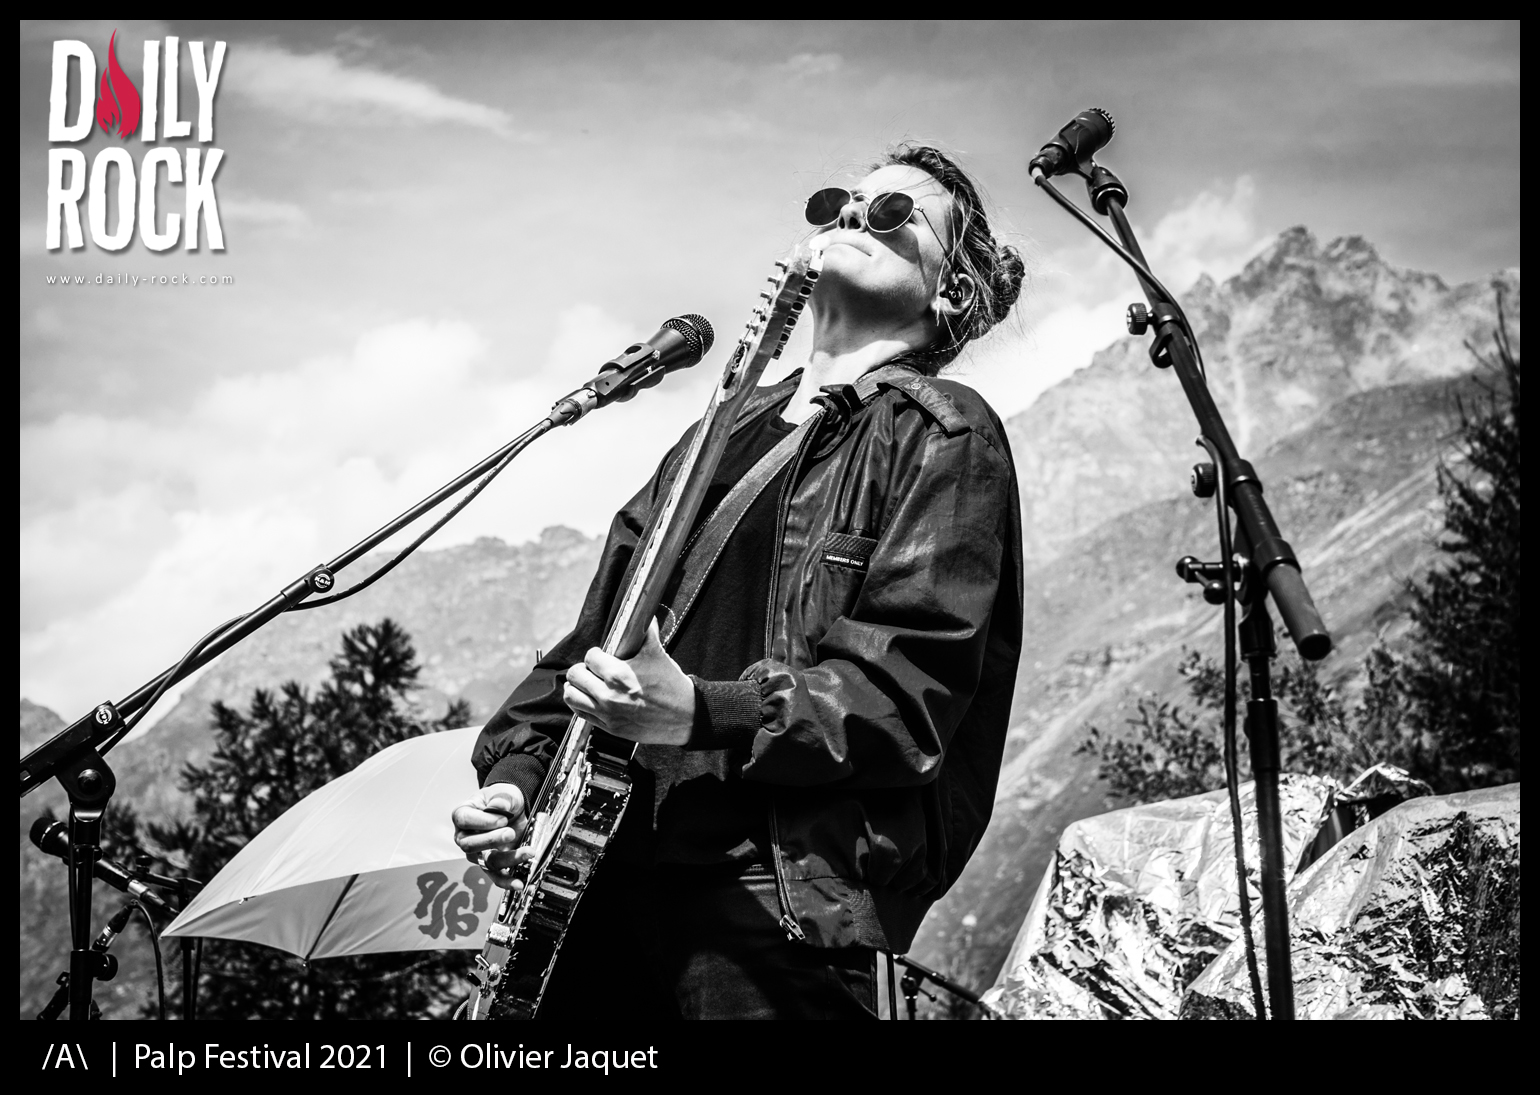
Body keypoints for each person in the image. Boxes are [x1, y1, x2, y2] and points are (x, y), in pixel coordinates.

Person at [453, 144, 1025, 1019]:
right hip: (599, 887)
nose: (851, 214)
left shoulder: (942, 435)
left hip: (767, 900)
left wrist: (698, 710)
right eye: (840, 202)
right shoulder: (715, 435)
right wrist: (519, 776)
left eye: (891, 213)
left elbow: (903, 695)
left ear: (949, 291)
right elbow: (593, 643)